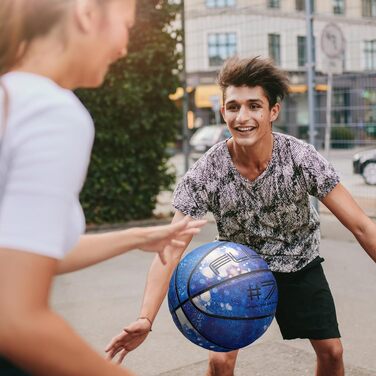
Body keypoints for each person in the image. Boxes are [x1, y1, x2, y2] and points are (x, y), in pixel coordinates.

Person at [106, 56, 376, 375]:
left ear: (273, 111)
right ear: (223, 112)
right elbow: (172, 246)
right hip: (236, 268)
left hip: (298, 262)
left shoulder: (300, 158)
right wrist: (146, 317)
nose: (243, 117)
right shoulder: (208, 171)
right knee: (220, 360)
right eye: (233, 107)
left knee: (332, 352)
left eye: (254, 106)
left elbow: (360, 225)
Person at [0, 1, 207, 375]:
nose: (124, 47)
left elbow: (21, 256)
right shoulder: (50, 111)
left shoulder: (12, 95)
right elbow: (15, 319)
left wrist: (136, 236)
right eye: (126, 25)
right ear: (86, 13)